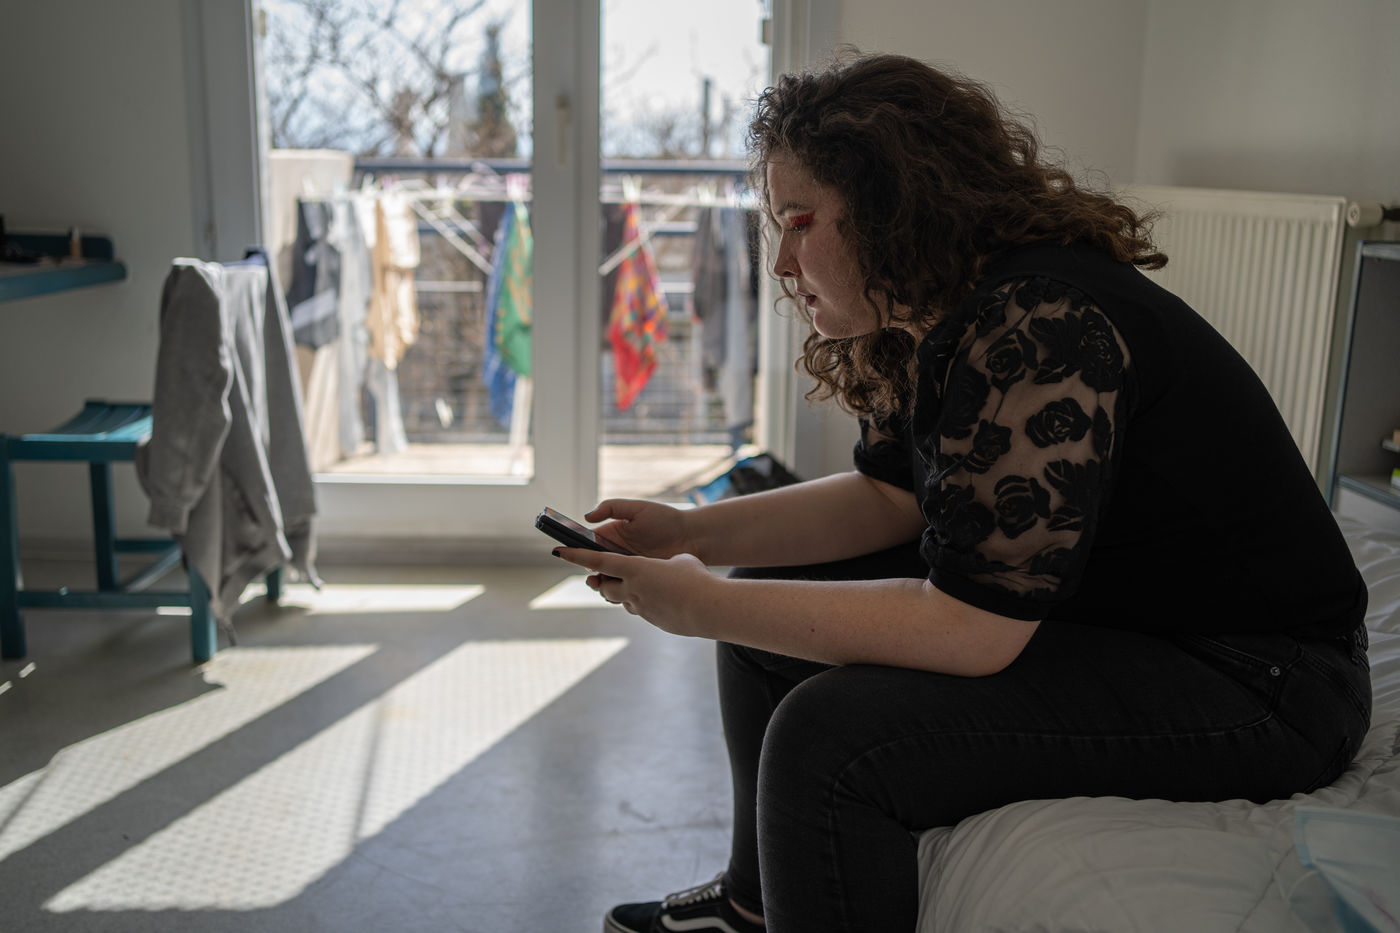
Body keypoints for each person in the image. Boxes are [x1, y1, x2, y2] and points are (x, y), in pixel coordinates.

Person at [553, 50, 1373, 933]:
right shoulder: (937, 308)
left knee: (829, 737)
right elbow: (886, 498)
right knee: (763, 621)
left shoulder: (1041, 323)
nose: (782, 261)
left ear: (889, 207)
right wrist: (692, 534)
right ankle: (750, 909)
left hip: (1262, 680)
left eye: (800, 221)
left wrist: (702, 605)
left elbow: (971, 628)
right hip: (1134, 619)